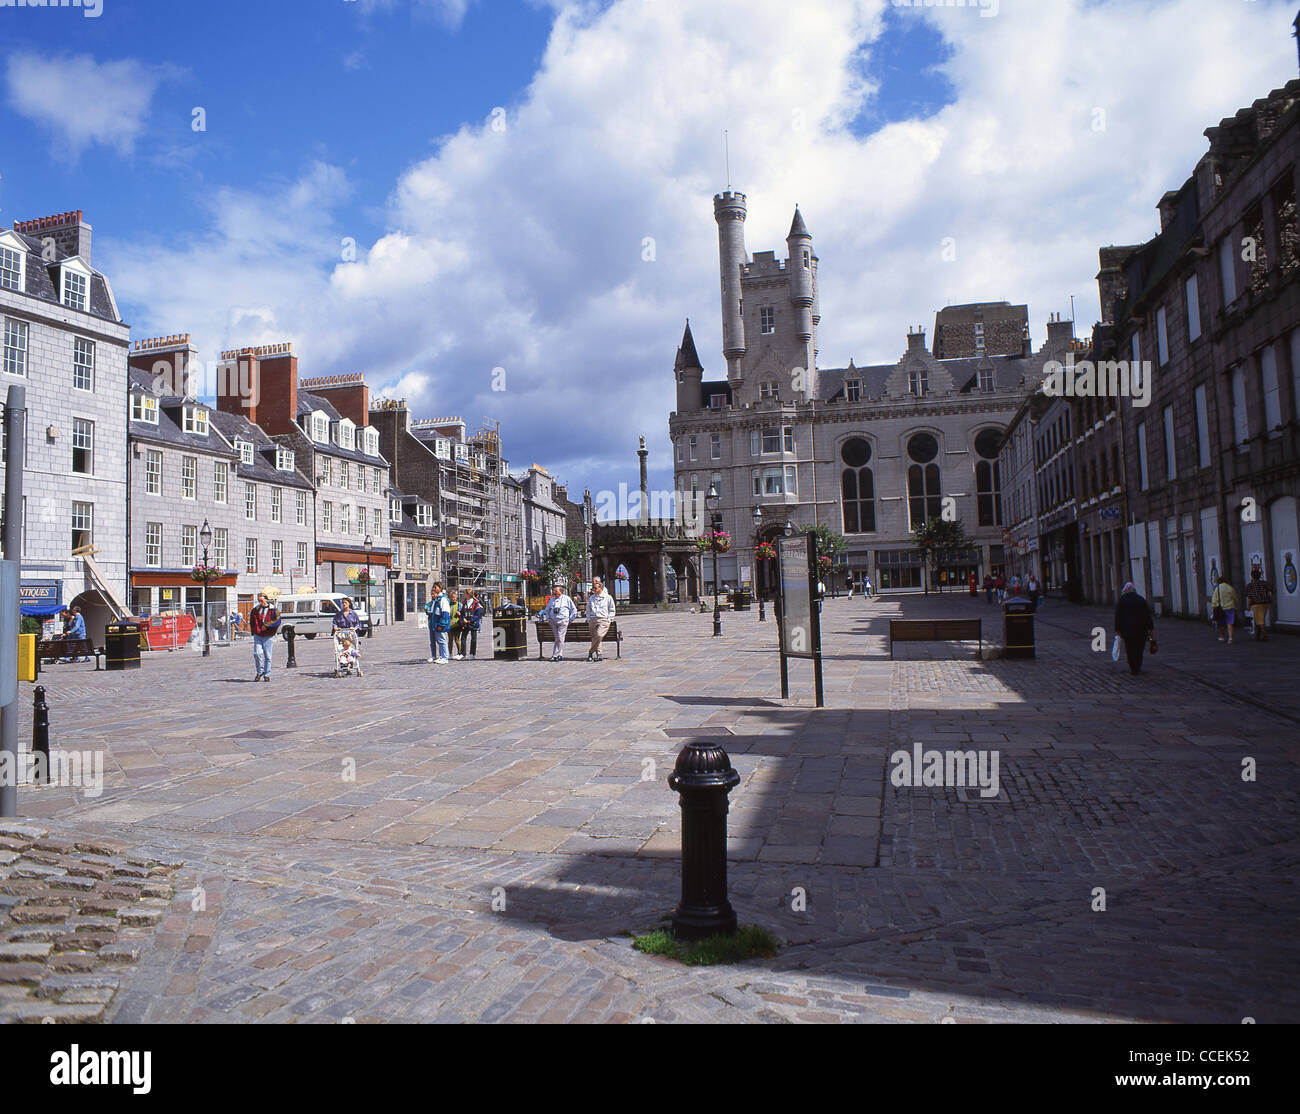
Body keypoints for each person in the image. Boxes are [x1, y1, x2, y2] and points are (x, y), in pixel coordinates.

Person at [1114, 581, 1156, 675]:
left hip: (1127, 630)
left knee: (1130, 649)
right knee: (1139, 649)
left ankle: (1133, 667)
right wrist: (1151, 628)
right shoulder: (1141, 599)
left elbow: (1118, 616)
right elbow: (1147, 616)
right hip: (1141, 630)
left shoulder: (1122, 600)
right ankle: (1138, 666)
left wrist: (1117, 630)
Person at [539, 583, 577, 661]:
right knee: (557, 638)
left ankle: (557, 654)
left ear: (560, 591)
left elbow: (574, 609)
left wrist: (571, 619)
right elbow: (547, 610)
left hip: (563, 621)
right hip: (553, 621)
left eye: (556, 591)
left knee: (560, 637)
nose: (554, 592)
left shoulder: (566, 599)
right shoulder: (552, 599)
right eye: (554, 591)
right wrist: (548, 619)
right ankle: (557, 654)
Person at [249, 592, 281, 681]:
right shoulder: (255, 609)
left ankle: (267, 674)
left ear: (266, 599)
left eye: (261, 600)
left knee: (268, 656)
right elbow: (252, 620)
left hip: (268, 635)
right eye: (259, 601)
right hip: (258, 634)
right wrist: (253, 631)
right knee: (257, 653)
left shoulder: (273, 609)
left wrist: (267, 625)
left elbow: (277, 621)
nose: (260, 603)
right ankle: (260, 671)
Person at [586, 576, 616, 662]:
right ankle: (599, 654)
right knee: (595, 638)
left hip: (603, 620)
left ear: (601, 588)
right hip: (593, 620)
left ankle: (590, 652)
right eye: (593, 588)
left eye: (595, 588)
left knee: (599, 635)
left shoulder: (607, 597)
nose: (593, 589)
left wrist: (609, 619)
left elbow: (612, 609)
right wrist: (589, 618)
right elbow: (588, 609)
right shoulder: (591, 598)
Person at [424, 582, 451, 664]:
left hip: (439, 624)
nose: (433, 589)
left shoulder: (443, 599)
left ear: (440, 588)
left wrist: (442, 624)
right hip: (434, 624)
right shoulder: (436, 600)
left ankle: (445, 657)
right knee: (438, 641)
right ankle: (440, 656)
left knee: (442, 640)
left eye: (435, 587)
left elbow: (445, 613)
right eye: (433, 587)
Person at [1209, 573, 1239, 645]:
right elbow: (1235, 597)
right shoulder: (1230, 588)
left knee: (1221, 623)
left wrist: (1213, 608)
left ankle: (1222, 636)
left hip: (1221, 608)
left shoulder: (1217, 589)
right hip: (1230, 607)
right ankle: (1231, 637)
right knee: (1230, 623)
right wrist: (1235, 604)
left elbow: (1214, 599)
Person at [1245, 567, 1273, 642]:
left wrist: (1248, 606)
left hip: (1256, 604)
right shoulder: (1264, 583)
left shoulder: (1250, 585)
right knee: (1261, 618)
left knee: (1259, 620)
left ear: (1252, 576)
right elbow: (1270, 591)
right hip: (1265, 603)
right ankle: (1258, 634)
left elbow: (1250, 597)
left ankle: (1265, 635)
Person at [456, 589, 484, 659]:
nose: (464, 595)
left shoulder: (475, 603)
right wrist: (463, 618)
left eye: (465, 593)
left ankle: (472, 654)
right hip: (465, 623)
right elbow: (462, 612)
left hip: (473, 623)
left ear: (468, 594)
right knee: (463, 638)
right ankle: (463, 654)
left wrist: (470, 620)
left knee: (473, 639)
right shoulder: (464, 602)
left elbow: (478, 614)